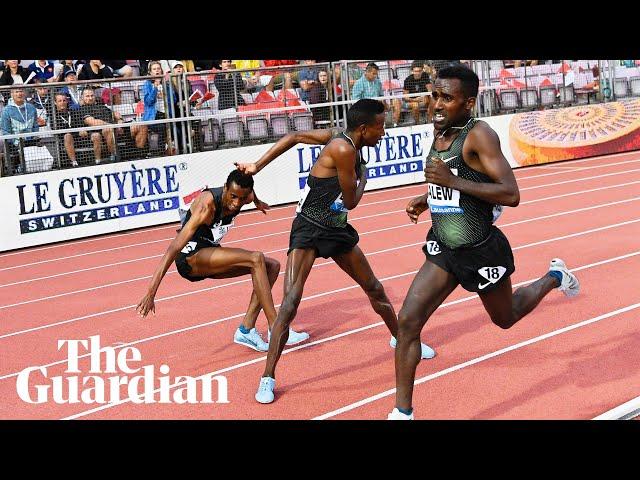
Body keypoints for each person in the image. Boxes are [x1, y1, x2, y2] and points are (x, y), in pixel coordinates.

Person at [388, 65, 580, 420]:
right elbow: (454, 176)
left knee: (506, 318)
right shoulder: (441, 128)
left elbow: (511, 193)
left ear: (469, 102)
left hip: (480, 249)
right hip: (446, 246)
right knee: (408, 322)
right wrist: (428, 197)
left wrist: (450, 181)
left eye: (447, 97)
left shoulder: (480, 135)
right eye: (434, 96)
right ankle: (402, 413)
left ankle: (554, 276)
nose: (437, 105)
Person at [235, 98, 436, 405]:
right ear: (364, 128)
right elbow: (352, 199)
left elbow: (294, 137)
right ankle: (267, 377)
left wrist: (256, 166)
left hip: (337, 228)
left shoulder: (339, 137)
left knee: (375, 288)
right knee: (290, 303)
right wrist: (365, 178)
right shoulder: (343, 149)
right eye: (380, 126)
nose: (384, 132)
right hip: (309, 228)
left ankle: (402, 339)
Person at [136, 170, 309, 352]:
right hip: (190, 257)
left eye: (242, 199)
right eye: (233, 196)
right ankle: (277, 327)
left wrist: (257, 202)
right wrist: (151, 292)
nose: (236, 204)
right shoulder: (206, 206)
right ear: (225, 188)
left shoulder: (245, 196)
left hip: (210, 250)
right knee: (256, 258)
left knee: (271, 266)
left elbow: (250, 193)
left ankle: (246, 330)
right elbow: (173, 248)